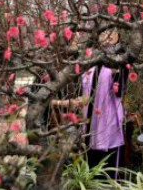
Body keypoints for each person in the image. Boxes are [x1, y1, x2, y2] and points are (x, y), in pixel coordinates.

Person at [51, 29, 126, 175]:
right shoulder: (90, 58)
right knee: (89, 148)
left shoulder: (118, 60)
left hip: (107, 114)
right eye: (104, 33)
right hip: (88, 114)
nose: (108, 37)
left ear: (118, 38)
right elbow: (80, 86)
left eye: (112, 34)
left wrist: (117, 72)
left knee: (106, 150)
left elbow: (120, 90)